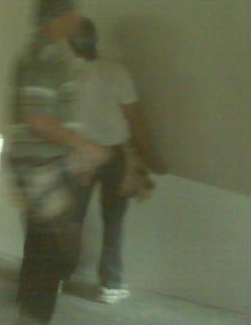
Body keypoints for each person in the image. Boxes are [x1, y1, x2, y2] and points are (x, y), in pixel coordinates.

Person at [6, 0, 111, 324]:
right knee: (56, 250)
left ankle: (30, 313)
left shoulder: (47, 52)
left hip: (44, 165)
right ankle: (33, 315)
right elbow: (38, 119)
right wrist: (84, 147)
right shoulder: (46, 57)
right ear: (58, 17)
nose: (78, 17)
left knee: (45, 245)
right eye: (72, 11)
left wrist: (76, 159)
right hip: (41, 168)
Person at [66, 16, 167, 304]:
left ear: (70, 44)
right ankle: (110, 285)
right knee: (113, 221)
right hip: (114, 157)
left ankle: (56, 276)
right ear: (95, 39)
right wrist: (152, 157)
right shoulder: (116, 71)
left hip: (79, 155)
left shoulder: (65, 74)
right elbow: (135, 119)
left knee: (71, 219)